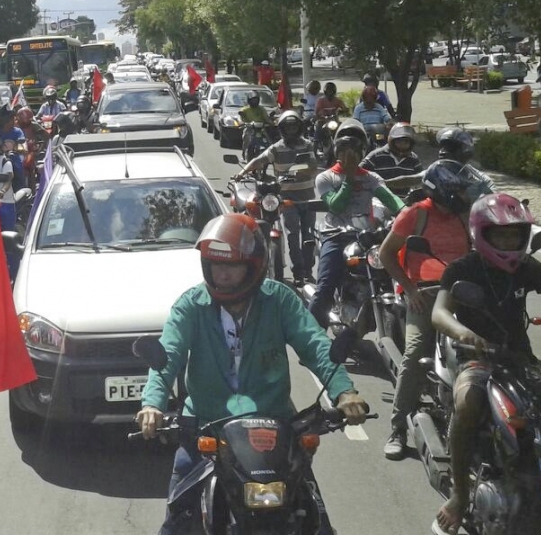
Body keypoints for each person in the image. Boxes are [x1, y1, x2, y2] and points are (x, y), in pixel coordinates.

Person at [137, 214, 369, 535]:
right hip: (207, 428)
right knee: (177, 519)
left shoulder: (279, 300)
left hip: (274, 432)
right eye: (215, 265)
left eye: (232, 265)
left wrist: (344, 391)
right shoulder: (190, 306)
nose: (222, 273)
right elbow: (168, 355)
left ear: (254, 265)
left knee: (315, 519)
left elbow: (315, 344)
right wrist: (152, 404)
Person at [430, 193, 541, 535]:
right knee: (468, 404)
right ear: (482, 234)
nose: (510, 241)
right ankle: (459, 493)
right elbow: (439, 312)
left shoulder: (527, 267)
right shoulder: (463, 268)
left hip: (520, 359)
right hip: (477, 358)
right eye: (502, 235)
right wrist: (464, 334)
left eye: (515, 235)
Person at [378, 161, 477, 461]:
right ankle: (397, 429)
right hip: (425, 293)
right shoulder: (415, 214)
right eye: (456, 190)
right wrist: (410, 290)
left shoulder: (464, 214)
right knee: (415, 354)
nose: (462, 194)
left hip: (461, 292)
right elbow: (386, 254)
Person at [309, 120, 405, 326]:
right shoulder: (325, 178)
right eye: (344, 149)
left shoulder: (372, 178)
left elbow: (392, 200)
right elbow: (335, 205)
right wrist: (350, 177)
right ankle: (311, 340)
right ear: (337, 150)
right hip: (334, 235)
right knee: (325, 286)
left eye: (354, 150)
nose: (349, 155)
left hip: (366, 237)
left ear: (363, 151)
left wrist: (409, 215)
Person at [240, 110, 319, 284]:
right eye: (288, 127)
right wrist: (242, 172)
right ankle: (298, 272)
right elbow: (259, 160)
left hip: (308, 198)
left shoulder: (307, 145)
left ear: (299, 128)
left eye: (294, 126)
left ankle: (308, 270)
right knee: (292, 234)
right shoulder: (276, 148)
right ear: (282, 129)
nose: (291, 130)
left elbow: (314, 165)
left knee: (309, 236)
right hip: (287, 199)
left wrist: (301, 171)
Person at [435, 127, 495, 202]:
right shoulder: (430, 174)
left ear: (465, 151)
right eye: (443, 147)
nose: (443, 151)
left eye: (451, 148)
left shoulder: (481, 180)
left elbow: (495, 201)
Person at [0, 103, 27, 191]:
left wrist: (19, 148)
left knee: (15, 160)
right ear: (4, 121)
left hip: (13, 158)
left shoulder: (17, 132)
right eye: (11, 118)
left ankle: (21, 188)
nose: (14, 120)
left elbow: (22, 144)